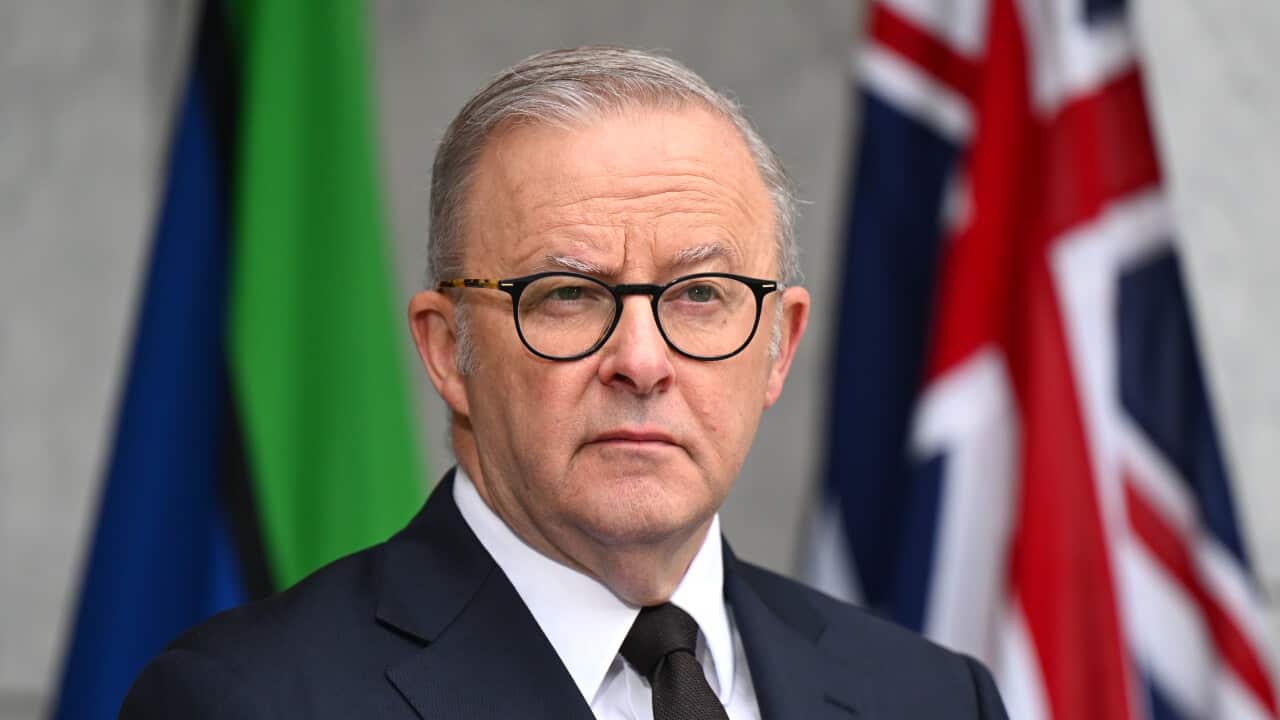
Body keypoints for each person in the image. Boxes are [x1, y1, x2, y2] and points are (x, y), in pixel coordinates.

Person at [121, 46, 1007, 719]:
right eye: (569, 295)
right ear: (446, 350)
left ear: (778, 346)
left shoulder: (930, 697)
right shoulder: (247, 701)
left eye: (700, 295)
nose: (641, 361)